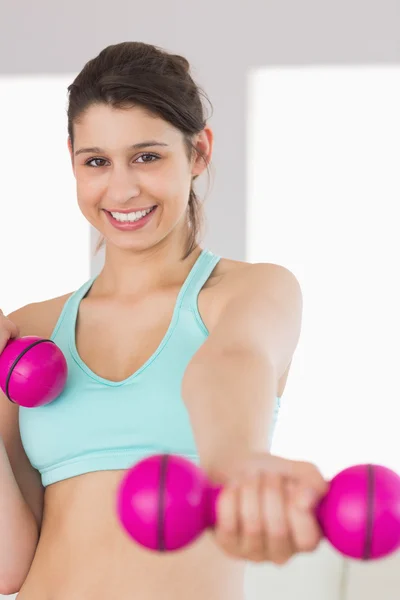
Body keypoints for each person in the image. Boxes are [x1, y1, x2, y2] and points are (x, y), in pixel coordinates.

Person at [0, 41, 328, 599]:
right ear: (73, 162)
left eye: (147, 156)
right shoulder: (29, 332)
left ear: (198, 152)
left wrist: (238, 463)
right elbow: (8, 566)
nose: (122, 189)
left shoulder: (250, 291)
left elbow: (231, 362)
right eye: (96, 161)